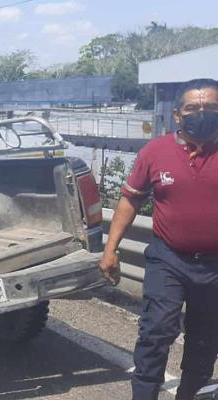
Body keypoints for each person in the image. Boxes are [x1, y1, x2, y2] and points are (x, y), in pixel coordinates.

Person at [100, 78, 218, 400]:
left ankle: (191, 393)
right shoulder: (156, 151)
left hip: (215, 266)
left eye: (210, 107)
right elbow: (129, 200)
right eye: (193, 108)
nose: (202, 113)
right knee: (156, 331)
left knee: (206, 338)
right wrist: (111, 249)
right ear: (178, 115)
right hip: (169, 259)